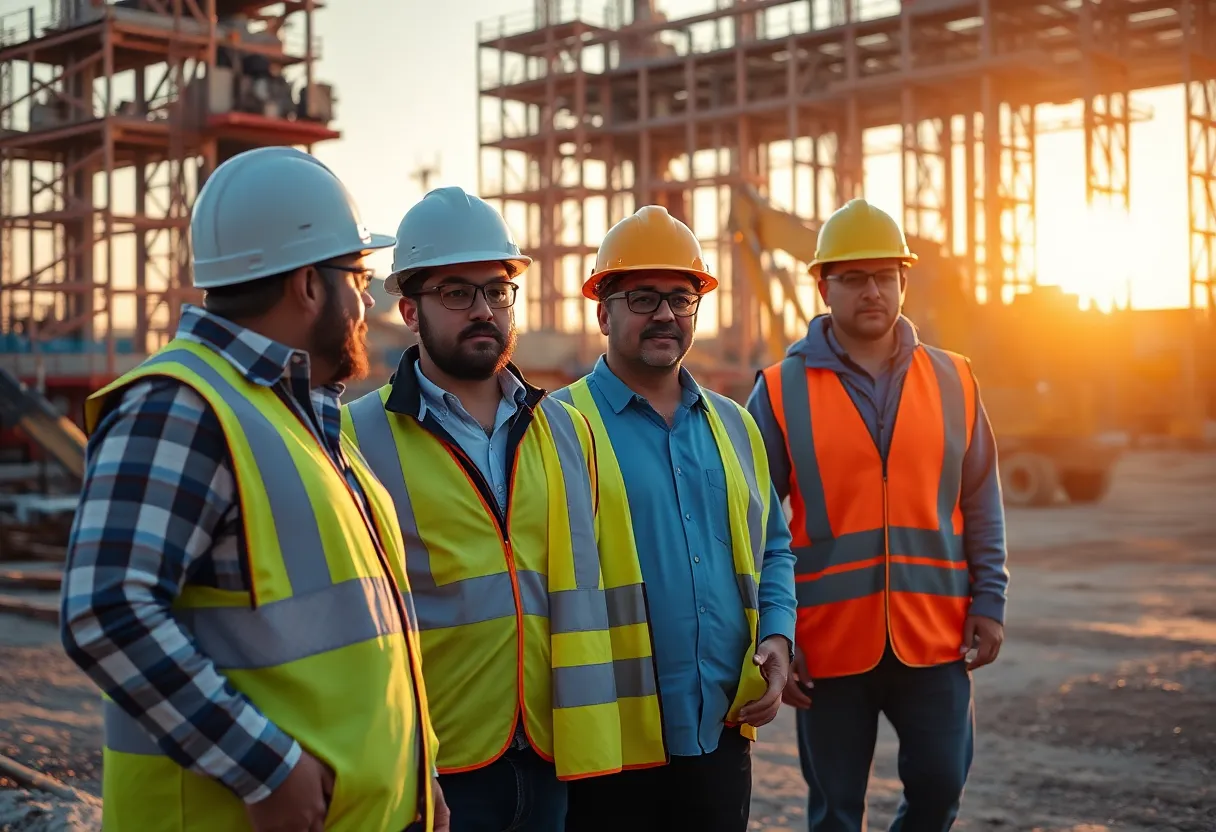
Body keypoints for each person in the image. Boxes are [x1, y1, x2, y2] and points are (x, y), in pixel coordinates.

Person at [60, 147, 447, 832]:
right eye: (357, 278)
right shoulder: (180, 405)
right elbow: (106, 608)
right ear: (307, 285)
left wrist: (419, 778)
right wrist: (263, 768)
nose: (366, 303)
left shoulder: (301, 417)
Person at [341, 187, 668, 832]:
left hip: (555, 751)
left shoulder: (569, 433)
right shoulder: (359, 438)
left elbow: (608, 597)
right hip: (434, 759)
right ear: (409, 308)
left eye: (496, 290)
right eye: (457, 293)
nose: (483, 310)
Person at [744, 198, 1010, 832]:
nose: (873, 291)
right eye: (855, 278)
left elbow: (980, 499)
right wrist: (776, 632)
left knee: (942, 787)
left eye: (885, 276)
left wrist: (990, 600)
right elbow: (751, 526)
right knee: (835, 812)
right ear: (823, 286)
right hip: (829, 645)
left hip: (935, 636)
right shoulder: (780, 389)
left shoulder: (955, 379)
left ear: (903, 283)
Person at [553, 205, 799, 832]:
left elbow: (773, 548)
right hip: (608, 746)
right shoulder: (553, 429)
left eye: (682, 298)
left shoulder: (736, 426)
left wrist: (777, 633)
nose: (666, 313)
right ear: (602, 311)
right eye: (643, 297)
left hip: (719, 732)